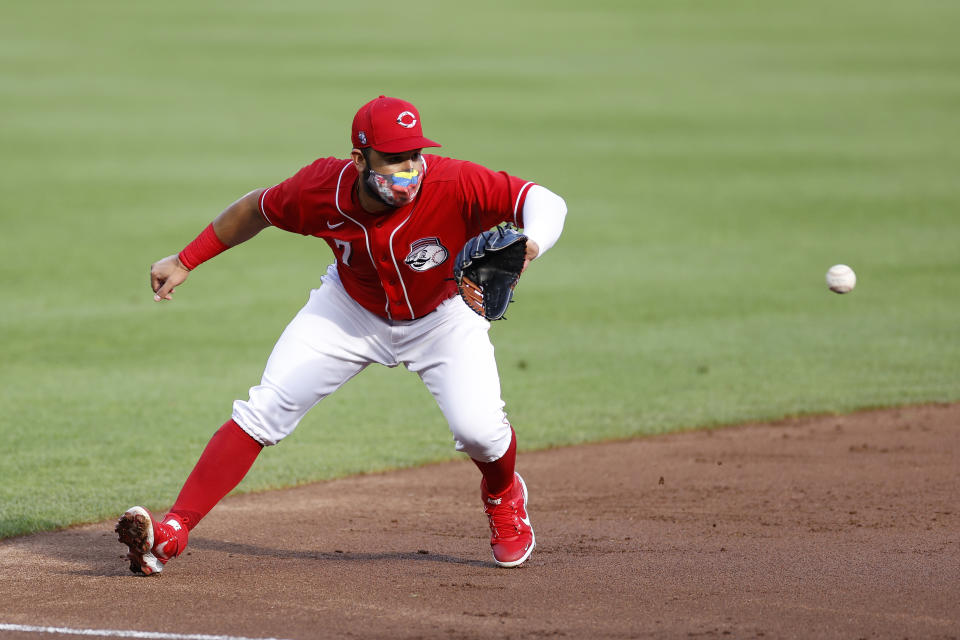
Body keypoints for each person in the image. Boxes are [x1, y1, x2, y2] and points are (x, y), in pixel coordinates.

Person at [115, 95, 567, 574]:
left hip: (444, 317)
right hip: (349, 312)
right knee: (264, 411)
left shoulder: (454, 182)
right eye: (393, 158)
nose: (409, 166)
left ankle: (503, 494)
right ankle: (171, 532)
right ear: (359, 160)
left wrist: (531, 245)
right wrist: (186, 259)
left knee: (480, 432)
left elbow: (544, 201)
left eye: (414, 154)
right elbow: (255, 209)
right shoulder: (320, 188)